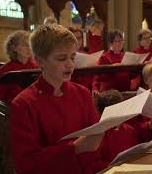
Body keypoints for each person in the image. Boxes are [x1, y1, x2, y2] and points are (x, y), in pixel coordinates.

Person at [9, 24, 104, 174]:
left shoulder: (83, 94)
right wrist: (75, 148)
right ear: (40, 61)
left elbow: (94, 149)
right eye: (61, 58)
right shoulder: (23, 104)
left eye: (73, 57)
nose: (70, 64)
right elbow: (27, 165)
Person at [0, 30, 38, 104]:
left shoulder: (37, 67)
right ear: (14, 48)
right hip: (13, 109)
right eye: (24, 45)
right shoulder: (5, 70)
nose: (29, 48)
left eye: (30, 45)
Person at [96, 90, 138, 164]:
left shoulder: (130, 130)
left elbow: (135, 155)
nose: (117, 118)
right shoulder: (97, 135)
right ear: (101, 114)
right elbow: (95, 163)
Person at [92, 29, 134, 95]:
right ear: (110, 43)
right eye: (117, 41)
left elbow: (131, 75)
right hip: (110, 92)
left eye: (121, 40)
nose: (120, 43)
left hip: (126, 90)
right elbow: (98, 76)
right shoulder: (105, 57)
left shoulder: (126, 56)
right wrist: (95, 88)